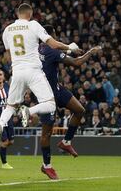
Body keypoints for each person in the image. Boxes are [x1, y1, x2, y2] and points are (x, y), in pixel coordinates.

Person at [0, 3, 81, 150]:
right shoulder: (33, 25)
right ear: (30, 14)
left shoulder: (7, 31)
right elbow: (53, 43)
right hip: (33, 70)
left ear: (17, 13)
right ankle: (28, 111)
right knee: (50, 104)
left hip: (17, 71)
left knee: (10, 106)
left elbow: (8, 56)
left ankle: (0, 125)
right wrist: (69, 47)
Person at [39, 24, 101, 180]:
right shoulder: (51, 51)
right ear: (50, 37)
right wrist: (90, 52)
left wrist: (70, 50)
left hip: (57, 89)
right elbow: (77, 63)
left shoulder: (40, 48)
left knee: (79, 110)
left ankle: (66, 142)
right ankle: (46, 166)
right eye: (55, 37)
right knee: (46, 133)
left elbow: (58, 52)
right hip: (47, 95)